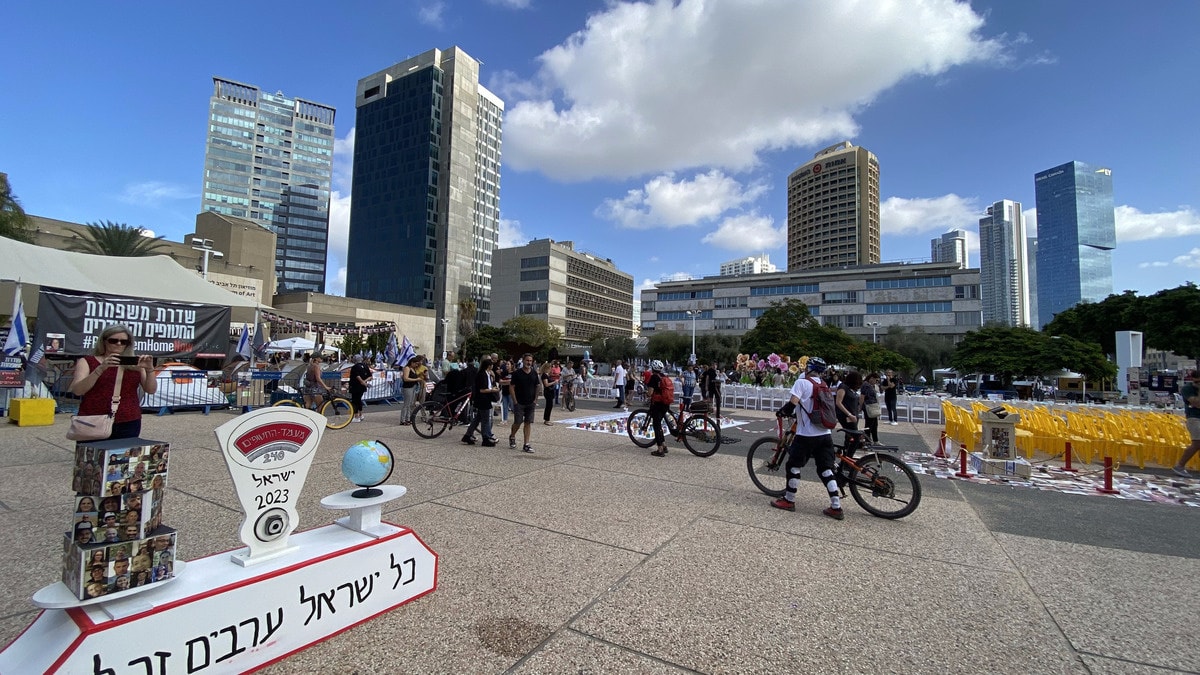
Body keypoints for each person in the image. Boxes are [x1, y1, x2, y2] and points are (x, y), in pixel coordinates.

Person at [771, 356, 845, 520]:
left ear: (809, 369)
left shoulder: (802, 382)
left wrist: (782, 412)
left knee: (793, 466)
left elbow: (792, 403)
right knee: (826, 469)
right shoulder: (823, 384)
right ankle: (836, 507)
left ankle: (789, 500)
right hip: (825, 434)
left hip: (806, 434)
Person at [68, 324, 158, 440]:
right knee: (92, 456)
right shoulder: (87, 361)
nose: (118, 344)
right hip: (93, 418)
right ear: (104, 341)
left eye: (123, 342)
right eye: (113, 340)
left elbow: (150, 390)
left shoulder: (135, 363)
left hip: (128, 419)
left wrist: (150, 370)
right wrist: (100, 369)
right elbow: (78, 390)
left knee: (122, 456)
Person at [462, 358, 499, 447]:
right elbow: (482, 390)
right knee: (485, 419)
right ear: (489, 366)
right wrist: (492, 390)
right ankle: (486, 437)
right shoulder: (482, 375)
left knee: (478, 418)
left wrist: (493, 377)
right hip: (483, 399)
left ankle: (468, 434)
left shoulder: (486, 374)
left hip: (483, 399)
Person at [508, 354, 539, 453]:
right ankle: (512, 436)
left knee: (528, 422)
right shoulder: (517, 373)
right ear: (523, 361)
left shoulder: (534, 373)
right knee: (518, 422)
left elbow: (537, 386)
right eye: (527, 360)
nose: (529, 362)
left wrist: (535, 400)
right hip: (519, 402)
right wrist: (515, 401)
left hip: (530, 402)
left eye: (530, 360)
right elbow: (511, 387)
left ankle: (526, 444)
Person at [1172, 369, 1200, 477]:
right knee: (1197, 443)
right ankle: (1179, 466)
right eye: (1197, 382)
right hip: (1194, 418)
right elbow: (1197, 403)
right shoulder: (1187, 389)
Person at [645, 360, 672, 457]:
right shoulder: (664, 376)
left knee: (657, 426)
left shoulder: (653, 377)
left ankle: (660, 449)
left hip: (657, 403)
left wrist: (646, 394)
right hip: (665, 403)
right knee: (659, 425)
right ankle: (664, 445)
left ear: (652, 368)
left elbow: (650, 393)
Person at [399, 356, 427, 426]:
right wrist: (416, 379)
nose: (417, 365)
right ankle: (402, 419)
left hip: (413, 387)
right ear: (412, 362)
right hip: (408, 387)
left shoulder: (413, 369)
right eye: (416, 363)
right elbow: (406, 378)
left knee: (410, 403)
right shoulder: (407, 368)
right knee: (406, 404)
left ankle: (408, 418)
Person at [348, 355, 372, 422]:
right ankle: (361, 414)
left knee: (355, 401)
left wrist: (362, 382)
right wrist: (365, 382)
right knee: (359, 400)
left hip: (355, 385)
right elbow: (370, 376)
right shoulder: (365, 366)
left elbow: (357, 376)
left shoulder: (354, 367)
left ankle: (356, 416)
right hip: (362, 387)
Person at [861, 372, 881, 443]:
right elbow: (862, 396)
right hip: (869, 406)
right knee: (869, 424)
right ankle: (867, 440)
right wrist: (860, 406)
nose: (876, 382)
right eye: (876, 380)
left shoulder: (871, 385)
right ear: (871, 378)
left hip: (873, 405)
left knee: (874, 424)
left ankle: (875, 440)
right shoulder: (865, 385)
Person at [540, 361, 559, 425]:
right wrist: (554, 382)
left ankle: (547, 419)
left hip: (550, 391)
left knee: (549, 406)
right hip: (548, 391)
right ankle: (546, 420)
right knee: (549, 406)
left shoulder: (547, 375)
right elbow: (546, 384)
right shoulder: (544, 375)